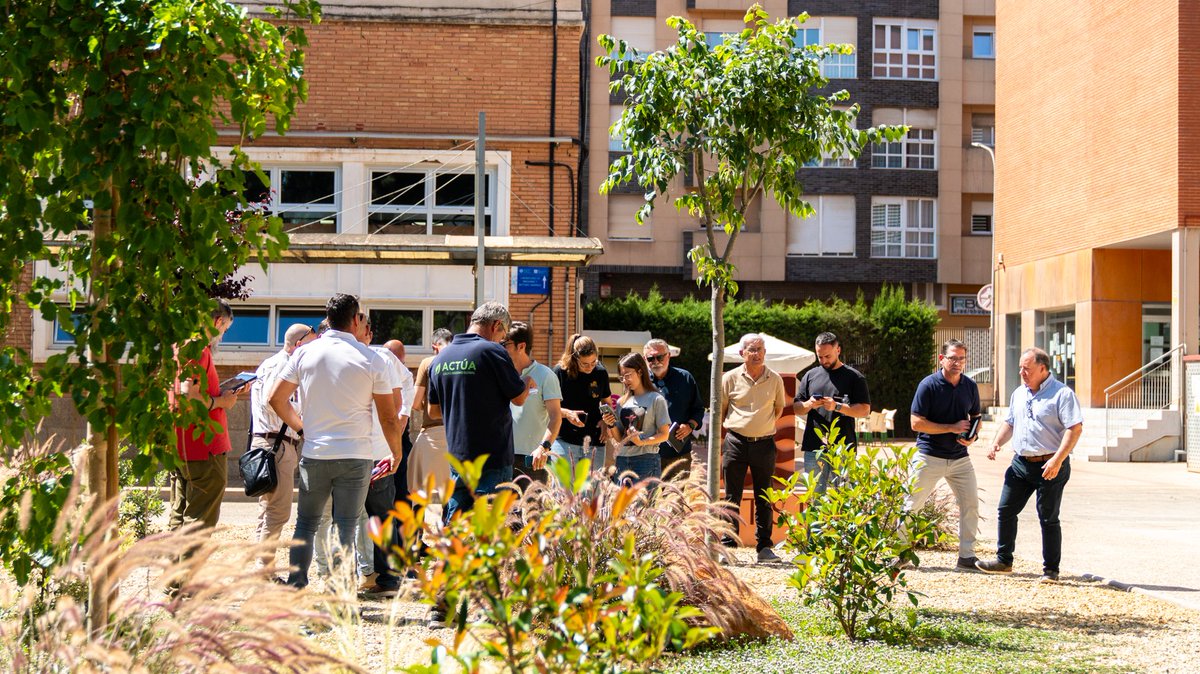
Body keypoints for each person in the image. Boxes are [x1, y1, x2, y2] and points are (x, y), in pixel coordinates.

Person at [268, 294, 405, 589]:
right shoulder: (370, 359)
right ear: (355, 319)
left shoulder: (304, 352)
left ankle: (296, 584)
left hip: (316, 451)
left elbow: (275, 399)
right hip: (356, 454)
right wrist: (396, 452)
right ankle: (341, 589)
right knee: (346, 525)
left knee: (306, 522)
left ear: (328, 319)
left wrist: (302, 429)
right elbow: (389, 417)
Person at [976, 347, 1083, 583]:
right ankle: (1004, 561)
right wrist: (996, 443)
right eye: (1021, 368)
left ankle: (1051, 571)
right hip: (1021, 464)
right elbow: (1010, 423)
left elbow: (1074, 429)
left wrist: (1058, 460)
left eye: (1027, 368)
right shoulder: (1019, 394)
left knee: (1048, 517)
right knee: (1006, 509)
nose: (1022, 372)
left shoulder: (1062, 394)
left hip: (1050, 464)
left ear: (1043, 369)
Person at [427, 301, 530, 523]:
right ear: (496, 325)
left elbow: (433, 411)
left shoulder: (441, 358)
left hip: (458, 456)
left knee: (456, 526)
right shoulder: (492, 351)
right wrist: (527, 382)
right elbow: (519, 398)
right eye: (502, 334)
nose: (501, 340)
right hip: (491, 458)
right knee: (490, 529)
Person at [904, 339, 982, 572]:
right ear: (941, 359)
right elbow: (916, 423)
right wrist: (951, 427)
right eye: (953, 358)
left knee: (971, 505)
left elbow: (976, 418)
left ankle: (966, 557)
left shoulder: (970, 386)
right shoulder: (928, 385)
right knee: (911, 505)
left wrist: (972, 436)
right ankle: (900, 553)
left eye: (961, 359)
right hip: (929, 456)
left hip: (960, 458)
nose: (957, 363)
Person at [248, 322, 317, 567]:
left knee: (267, 508)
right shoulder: (282, 365)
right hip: (277, 443)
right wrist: (302, 428)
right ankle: (263, 569)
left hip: (267, 442)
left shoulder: (266, 364)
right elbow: (272, 401)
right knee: (278, 511)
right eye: (312, 341)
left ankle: (261, 564)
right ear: (299, 344)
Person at [170, 299, 239, 531]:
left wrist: (220, 393)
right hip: (204, 447)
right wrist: (223, 401)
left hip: (180, 444)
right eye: (225, 329)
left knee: (179, 517)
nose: (222, 335)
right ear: (218, 321)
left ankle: (173, 567)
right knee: (199, 521)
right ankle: (190, 568)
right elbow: (190, 397)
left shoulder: (179, 345)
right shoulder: (199, 349)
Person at [720, 334, 788, 562]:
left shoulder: (775, 379)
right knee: (731, 497)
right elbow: (722, 410)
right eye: (751, 349)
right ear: (742, 353)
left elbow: (778, 409)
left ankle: (764, 548)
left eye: (760, 349)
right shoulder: (728, 378)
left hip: (764, 444)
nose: (757, 353)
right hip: (735, 443)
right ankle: (728, 547)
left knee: (764, 496)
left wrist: (760, 426)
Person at [793, 331, 871, 493]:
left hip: (843, 448)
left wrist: (837, 406)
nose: (823, 361)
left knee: (843, 496)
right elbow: (796, 407)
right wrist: (809, 404)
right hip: (814, 447)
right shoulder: (810, 376)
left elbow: (864, 410)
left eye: (827, 356)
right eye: (820, 357)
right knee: (815, 497)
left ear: (838, 350)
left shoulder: (854, 378)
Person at [503, 321, 562, 484]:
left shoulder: (546, 375)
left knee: (534, 509)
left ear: (521, 346)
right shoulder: (502, 374)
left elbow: (556, 417)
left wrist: (544, 448)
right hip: (503, 458)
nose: (500, 347)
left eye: (505, 344)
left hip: (533, 459)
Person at [602, 352, 671, 483]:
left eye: (627, 375)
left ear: (640, 371)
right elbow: (620, 438)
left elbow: (664, 435)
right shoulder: (621, 402)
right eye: (621, 377)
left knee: (643, 503)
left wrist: (641, 442)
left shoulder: (656, 399)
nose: (624, 380)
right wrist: (611, 424)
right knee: (622, 504)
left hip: (646, 460)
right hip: (622, 460)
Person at [642, 339, 704, 479]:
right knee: (647, 499)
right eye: (651, 358)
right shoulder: (640, 381)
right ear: (645, 359)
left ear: (668, 355)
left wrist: (690, 426)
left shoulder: (685, 378)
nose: (656, 361)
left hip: (678, 454)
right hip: (647, 454)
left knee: (675, 498)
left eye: (660, 357)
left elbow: (698, 409)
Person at [553, 334, 612, 471]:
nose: (590, 367)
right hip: (564, 440)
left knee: (592, 491)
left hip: (594, 442)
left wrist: (605, 422)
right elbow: (548, 407)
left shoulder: (601, 372)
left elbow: (607, 403)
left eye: (594, 362)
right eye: (584, 363)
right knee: (563, 491)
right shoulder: (560, 372)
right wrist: (568, 413)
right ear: (574, 358)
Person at [408, 328, 454, 501]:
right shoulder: (461, 362)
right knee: (451, 491)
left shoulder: (428, 363)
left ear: (435, 346)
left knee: (417, 487)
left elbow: (414, 401)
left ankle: (418, 527)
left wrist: (425, 406)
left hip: (431, 433)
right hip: (455, 434)